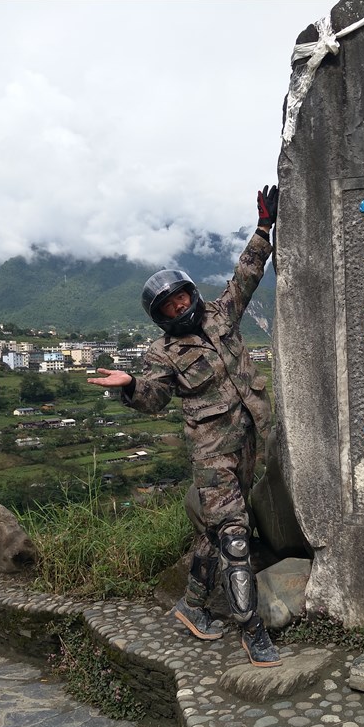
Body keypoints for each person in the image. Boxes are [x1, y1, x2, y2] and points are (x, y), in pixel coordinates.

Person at [88, 185, 281, 667]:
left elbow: (247, 275)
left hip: (251, 441)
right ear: (159, 318)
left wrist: (263, 228)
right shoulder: (162, 354)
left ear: (193, 293)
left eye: (182, 298)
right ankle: (251, 630)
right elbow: (154, 398)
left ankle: (193, 605)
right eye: (168, 308)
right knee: (235, 535)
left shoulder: (221, 316)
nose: (179, 308)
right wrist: (130, 384)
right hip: (213, 455)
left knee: (211, 535)